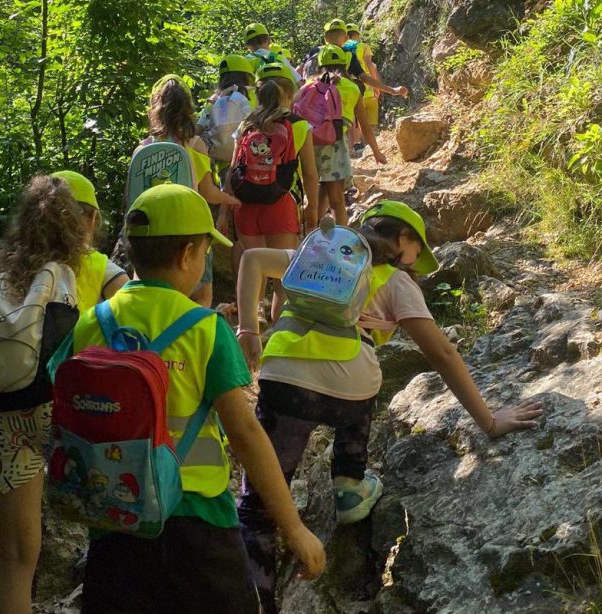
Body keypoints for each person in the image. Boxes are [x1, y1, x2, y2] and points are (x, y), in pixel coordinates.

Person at [234, 200, 543, 613]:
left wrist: (248, 329)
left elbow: (252, 259)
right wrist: (489, 421)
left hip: (285, 379)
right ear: (402, 238)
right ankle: (349, 485)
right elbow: (443, 355)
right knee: (360, 391)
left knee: (258, 509)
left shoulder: (320, 257)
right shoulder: (397, 282)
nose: (416, 261)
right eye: (418, 250)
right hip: (350, 385)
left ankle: (257, 603)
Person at [71, 184, 325, 613]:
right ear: (189, 254)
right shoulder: (205, 329)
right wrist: (293, 527)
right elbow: (245, 433)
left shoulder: (91, 322)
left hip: (115, 517)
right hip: (199, 522)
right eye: (207, 250)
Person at [0, 172, 129, 614]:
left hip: (0, 410)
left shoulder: (3, 279)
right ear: (85, 220)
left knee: (12, 555)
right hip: (64, 409)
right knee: (112, 518)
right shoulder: (97, 271)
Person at [229, 62, 319, 326]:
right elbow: (311, 174)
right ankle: (278, 336)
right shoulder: (299, 125)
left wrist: (225, 212)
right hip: (280, 205)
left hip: (245, 206)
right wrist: (311, 209)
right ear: (290, 94)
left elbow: (233, 170)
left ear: (258, 93)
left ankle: (249, 336)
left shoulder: (246, 124)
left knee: (253, 275)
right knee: (284, 278)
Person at [145, 74, 240, 308]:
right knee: (201, 296)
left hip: (152, 232)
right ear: (187, 109)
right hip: (190, 228)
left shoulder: (145, 147)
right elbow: (208, 193)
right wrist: (232, 200)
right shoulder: (193, 145)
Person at [305, 44, 387, 226]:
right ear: (345, 63)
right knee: (337, 201)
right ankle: (342, 239)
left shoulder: (309, 85)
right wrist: (376, 151)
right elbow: (364, 126)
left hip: (309, 144)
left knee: (315, 196)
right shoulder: (351, 88)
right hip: (335, 145)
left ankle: (309, 236)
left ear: (319, 64)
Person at [196, 55, 257, 280]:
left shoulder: (213, 102)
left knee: (234, 229)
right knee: (245, 228)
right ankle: (254, 282)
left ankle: (238, 282)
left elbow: (197, 130)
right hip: (247, 163)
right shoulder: (247, 99)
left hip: (223, 167)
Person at [344, 22, 381, 145]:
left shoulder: (341, 49)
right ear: (357, 34)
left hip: (352, 90)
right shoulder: (363, 46)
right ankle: (371, 147)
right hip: (368, 88)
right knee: (372, 124)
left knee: (357, 121)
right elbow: (371, 65)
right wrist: (376, 85)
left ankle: (360, 146)